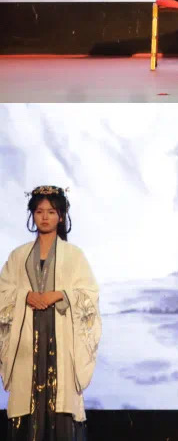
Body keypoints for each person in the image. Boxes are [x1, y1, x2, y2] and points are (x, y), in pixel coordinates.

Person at [0, 186, 101, 441]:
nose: (45, 217)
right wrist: (25, 296)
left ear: (61, 216)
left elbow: (89, 295)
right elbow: (3, 292)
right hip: (27, 339)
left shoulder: (74, 256)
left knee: (62, 401)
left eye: (51, 212)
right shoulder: (18, 256)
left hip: (61, 337)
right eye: (39, 211)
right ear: (32, 215)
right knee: (26, 402)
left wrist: (59, 295)